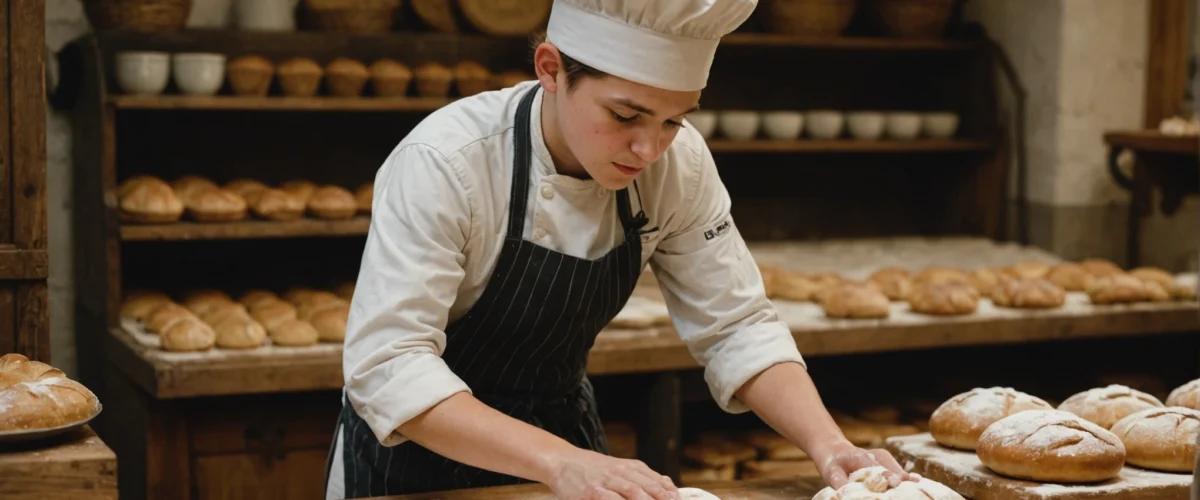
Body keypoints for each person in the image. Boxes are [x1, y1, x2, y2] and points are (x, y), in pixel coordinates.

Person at [324, 1, 915, 498]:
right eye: (626, 114)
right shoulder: (448, 162)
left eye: (673, 121)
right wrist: (559, 462)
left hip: (563, 432)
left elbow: (735, 323)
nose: (649, 148)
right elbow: (390, 365)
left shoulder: (676, 164)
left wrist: (830, 445)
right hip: (416, 453)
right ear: (551, 69)